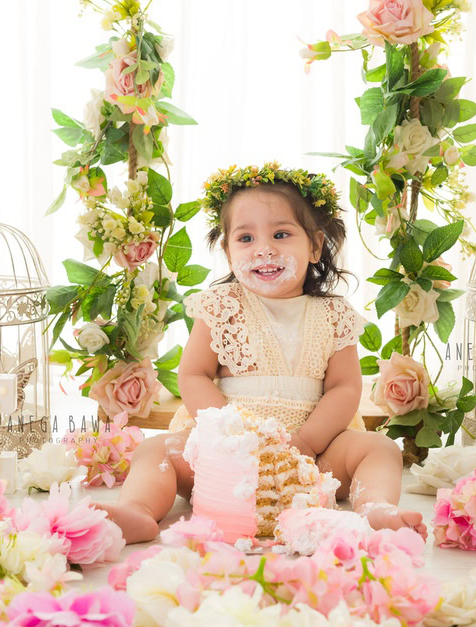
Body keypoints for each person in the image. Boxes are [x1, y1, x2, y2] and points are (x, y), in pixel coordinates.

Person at [97, 164, 426, 544]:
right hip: (225, 458)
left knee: (380, 448)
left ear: (316, 245)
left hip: (311, 458)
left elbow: (344, 389)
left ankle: (376, 507)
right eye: (246, 238)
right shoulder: (221, 306)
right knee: (156, 450)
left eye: (281, 234)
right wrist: (226, 439)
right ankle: (137, 510)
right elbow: (194, 375)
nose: (264, 249)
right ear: (227, 249)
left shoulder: (335, 315)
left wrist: (305, 444)